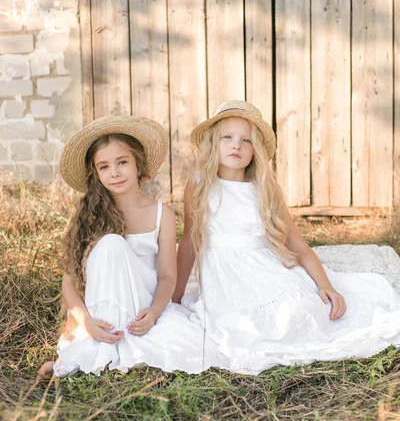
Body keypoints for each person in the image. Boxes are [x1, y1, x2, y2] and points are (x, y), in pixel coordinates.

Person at [172, 100, 400, 375]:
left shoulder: (264, 189)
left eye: (246, 140)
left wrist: (325, 284)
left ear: (255, 150)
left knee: (297, 307)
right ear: (213, 143)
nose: (236, 146)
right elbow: (189, 244)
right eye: (227, 138)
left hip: (266, 269)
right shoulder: (199, 183)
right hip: (226, 277)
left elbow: (297, 244)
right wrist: (175, 295)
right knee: (245, 325)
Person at [39, 115, 227, 378]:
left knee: (198, 347)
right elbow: (69, 283)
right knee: (111, 244)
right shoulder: (90, 216)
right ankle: (95, 346)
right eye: (104, 167)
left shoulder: (162, 213)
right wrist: (87, 323)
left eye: (122, 162)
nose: (114, 172)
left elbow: (166, 276)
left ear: (138, 164)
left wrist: (155, 311)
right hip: (102, 310)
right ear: (96, 174)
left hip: (141, 304)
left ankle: (109, 350)